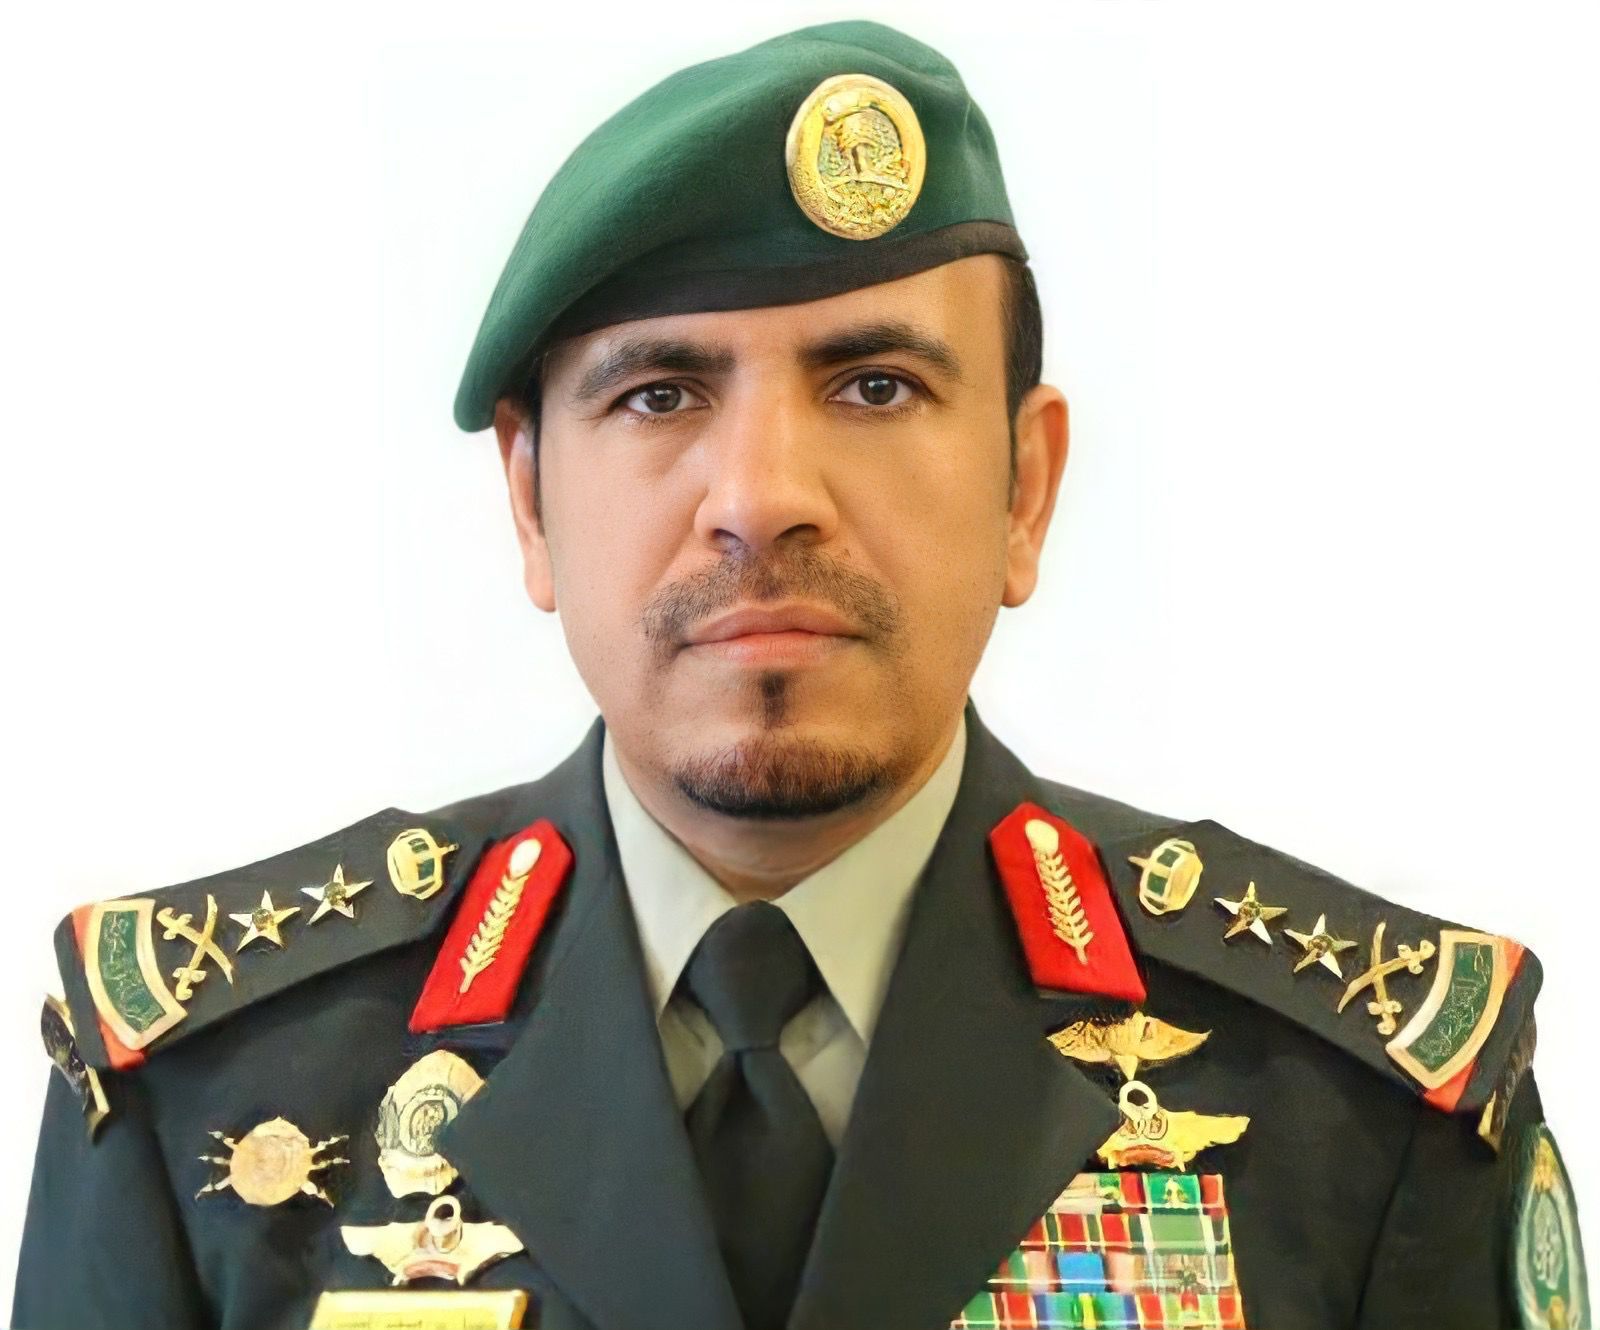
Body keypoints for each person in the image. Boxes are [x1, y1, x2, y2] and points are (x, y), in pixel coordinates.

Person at [13, 19, 1585, 1330]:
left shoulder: (1359, 1113)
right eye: (658, 393)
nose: (762, 497)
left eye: (876, 384)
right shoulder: (209, 1103)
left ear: (1025, 489)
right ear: (529, 501)